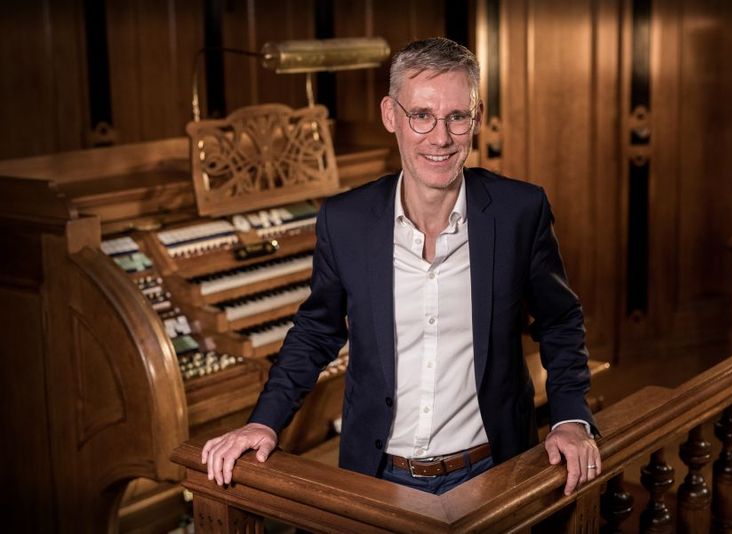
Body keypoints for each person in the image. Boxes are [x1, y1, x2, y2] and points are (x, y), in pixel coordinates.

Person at [202, 37, 600, 496]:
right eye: (422, 115)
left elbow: (559, 320)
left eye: (457, 116)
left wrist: (571, 418)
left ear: (477, 117)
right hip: (377, 478)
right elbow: (316, 331)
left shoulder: (519, 211)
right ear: (390, 115)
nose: (441, 138)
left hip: (492, 469)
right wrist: (264, 422)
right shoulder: (345, 220)